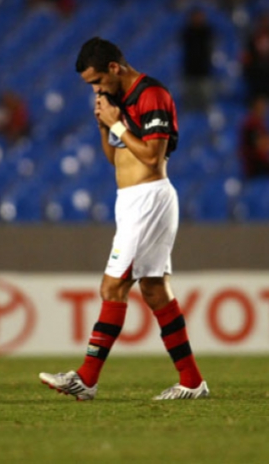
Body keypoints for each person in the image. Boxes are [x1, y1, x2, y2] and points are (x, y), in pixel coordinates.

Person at [39, 38, 208, 401]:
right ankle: (192, 381)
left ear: (114, 68)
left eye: (97, 81)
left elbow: (151, 155)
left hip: (149, 198)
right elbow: (116, 159)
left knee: (112, 288)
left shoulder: (152, 94)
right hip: (130, 199)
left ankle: (86, 379)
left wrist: (117, 125)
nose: (97, 89)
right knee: (154, 290)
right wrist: (104, 125)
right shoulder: (118, 101)